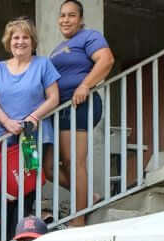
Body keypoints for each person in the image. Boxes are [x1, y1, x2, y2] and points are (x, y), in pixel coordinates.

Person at [48, 0, 115, 218]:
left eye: (71, 15)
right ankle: (88, 198)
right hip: (60, 110)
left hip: (80, 104)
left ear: (81, 19)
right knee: (49, 167)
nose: (65, 20)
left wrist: (85, 85)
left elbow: (106, 60)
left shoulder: (89, 36)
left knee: (74, 162)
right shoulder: (56, 49)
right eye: (62, 15)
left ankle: (78, 219)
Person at [0, 18, 60, 152]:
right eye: (16, 38)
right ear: (9, 41)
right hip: (4, 135)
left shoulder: (43, 64)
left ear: (32, 41)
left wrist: (32, 118)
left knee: (31, 166)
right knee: (5, 167)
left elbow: (54, 98)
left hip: (33, 134)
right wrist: (7, 122)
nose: (20, 42)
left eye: (25, 37)